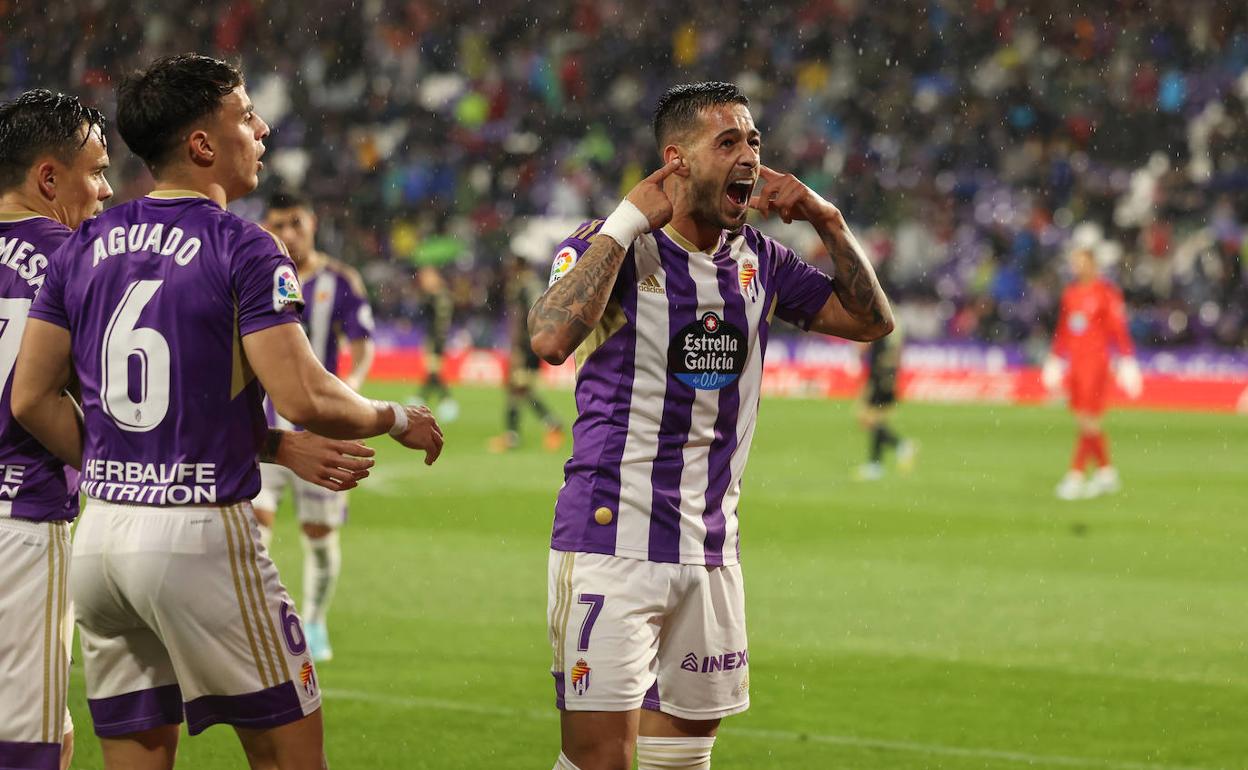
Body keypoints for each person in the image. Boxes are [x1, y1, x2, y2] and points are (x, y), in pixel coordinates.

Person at [11, 54, 442, 770]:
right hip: (199, 538)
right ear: (203, 145)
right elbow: (305, 395)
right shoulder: (241, 243)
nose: (263, 127)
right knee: (290, 753)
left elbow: (29, 398)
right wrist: (395, 416)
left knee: (137, 755)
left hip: (101, 540)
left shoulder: (84, 245)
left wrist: (131, 469)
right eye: (246, 115)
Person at [528, 82, 893, 770]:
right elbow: (548, 338)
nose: (750, 156)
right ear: (678, 160)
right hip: (612, 544)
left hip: (712, 552)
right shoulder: (610, 249)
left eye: (754, 141)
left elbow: (871, 321)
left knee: (684, 761)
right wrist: (624, 220)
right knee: (598, 761)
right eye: (728, 141)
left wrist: (828, 219)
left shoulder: (760, 262)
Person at [251, 190, 376, 662]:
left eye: (295, 224)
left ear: (313, 224)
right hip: (262, 431)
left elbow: (361, 346)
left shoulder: (339, 281)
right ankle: (264, 622)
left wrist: (350, 393)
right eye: (278, 225)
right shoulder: (254, 272)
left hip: (323, 430)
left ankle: (316, 621)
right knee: (254, 529)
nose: (287, 235)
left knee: (319, 537)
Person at [1043, 245, 1141, 500]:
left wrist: (1128, 359)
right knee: (1086, 421)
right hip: (1075, 364)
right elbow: (1064, 330)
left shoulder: (1106, 293)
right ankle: (1106, 473)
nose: (1076, 267)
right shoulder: (1071, 294)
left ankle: (1075, 475)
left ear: (1092, 264)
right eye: (1073, 262)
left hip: (1095, 364)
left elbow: (1117, 328)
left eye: (1080, 262)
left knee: (1088, 420)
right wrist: (1055, 357)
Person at [488, 254, 565, 453]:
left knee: (516, 389)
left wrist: (520, 349)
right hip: (532, 344)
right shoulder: (533, 285)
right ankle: (551, 424)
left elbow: (527, 318)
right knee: (522, 390)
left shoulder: (524, 287)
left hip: (527, 347)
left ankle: (514, 436)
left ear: (519, 267)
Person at [852, 325, 916, 481]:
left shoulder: (877, 323)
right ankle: (877, 464)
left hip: (879, 376)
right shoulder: (891, 322)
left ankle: (899, 447)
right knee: (876, 421)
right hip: (887, 376)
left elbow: (863, 346)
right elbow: (896, 350)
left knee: (867, 418)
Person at [414, 265, 458, 421]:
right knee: (433, 372)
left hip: (436, 339)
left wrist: (436, 341)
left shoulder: (437, 297)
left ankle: (444, 400)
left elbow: (439, 321)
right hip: (436, 337)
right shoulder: (440, 295)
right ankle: (423, 399)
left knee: (434, 372)